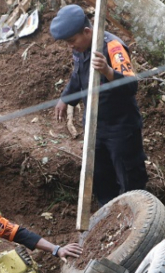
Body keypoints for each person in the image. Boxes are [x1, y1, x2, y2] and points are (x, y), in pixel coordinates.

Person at [50, 4, 148, 206]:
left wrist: (107, 71)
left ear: (87, 32)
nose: (70, 46)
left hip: (121, 127)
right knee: (101, 175)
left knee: (129, 176)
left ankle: (137, 215)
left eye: (72, 40)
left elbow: (131, 86)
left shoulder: (113, 47)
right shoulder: (80, 48)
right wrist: (65, 99)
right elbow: (78, 76)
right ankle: (109, 215)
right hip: (94, 126)